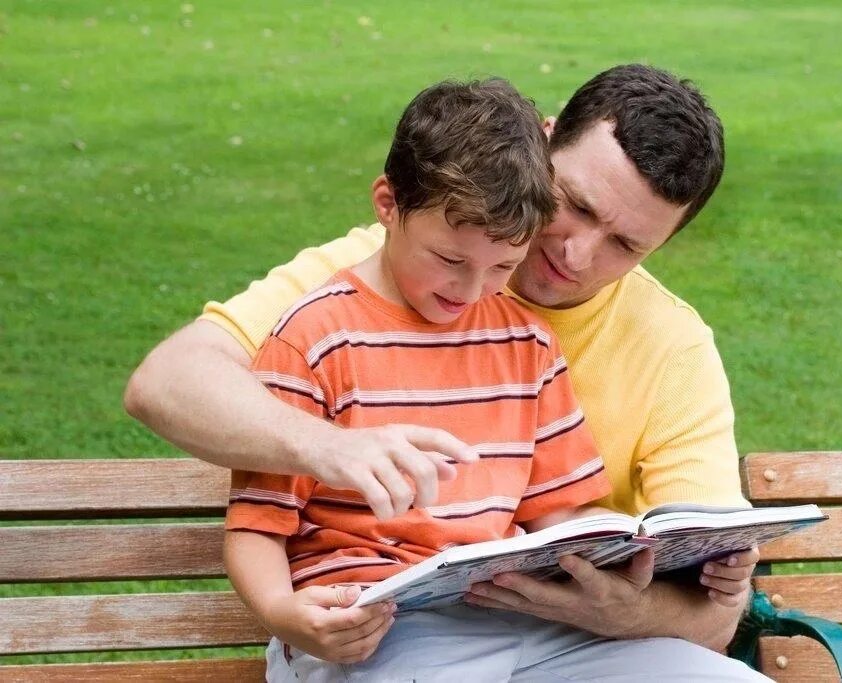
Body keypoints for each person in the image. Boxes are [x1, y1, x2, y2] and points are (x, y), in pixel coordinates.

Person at [125, 64, 765, 679]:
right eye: (576, 206)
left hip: (550, 638)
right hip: (386, 627)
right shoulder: (384, 268)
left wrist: (629, 601)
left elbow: (713, 619)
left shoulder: (656, 343)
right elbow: (165, 384)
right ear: (541, 143)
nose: (576, 254)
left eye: (625, 245)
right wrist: (331, 447)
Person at [227, 78, 631, 679]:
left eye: (503, 266)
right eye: (450, 260)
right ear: (388, 205)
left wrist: (632, 548)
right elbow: (256, 524)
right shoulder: (316, 337)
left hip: (511, 626)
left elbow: (558, 518)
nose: (471, 291)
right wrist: (283, 614)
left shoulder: (527, 344)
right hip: (368, 632)